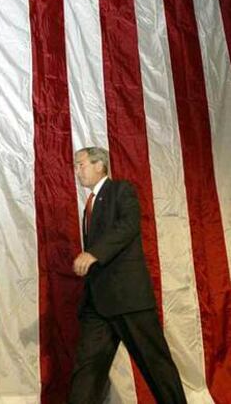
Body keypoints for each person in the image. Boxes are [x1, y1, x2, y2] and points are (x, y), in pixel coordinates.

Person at [69, 147, 187, 404]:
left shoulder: (121, 191)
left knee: (156, 366)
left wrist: (93, 254)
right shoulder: (89, 204)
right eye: (76, 166)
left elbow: (128, 225)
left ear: (100, 165)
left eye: (81, 164)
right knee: (87, 370)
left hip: (128, 298)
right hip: (97, 303)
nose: (77, 171)